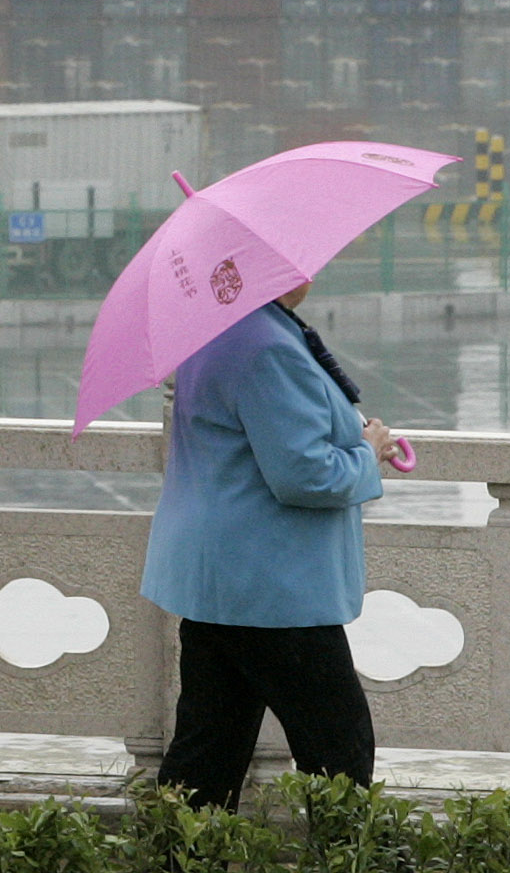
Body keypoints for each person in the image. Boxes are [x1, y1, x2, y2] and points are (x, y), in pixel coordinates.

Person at [142, 280, 398, 808]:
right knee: (339, 750)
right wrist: (366, 453)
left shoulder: (217, 330)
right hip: (272, 588)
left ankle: (179, 849)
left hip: (218, 581)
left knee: (207, 753)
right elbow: (305, 476)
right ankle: (347, 850)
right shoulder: (267, 348)